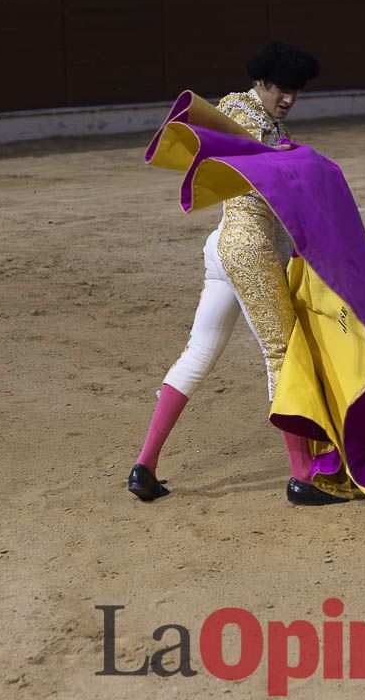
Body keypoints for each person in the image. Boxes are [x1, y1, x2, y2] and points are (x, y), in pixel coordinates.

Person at [128, 42, 341, 507]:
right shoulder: (239, 111)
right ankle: (303, 477)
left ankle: (144, 466)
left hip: (227, 247)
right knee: (284, 352)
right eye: (282, 89)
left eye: (296, 92)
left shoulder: (263, 118)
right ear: (261, 82)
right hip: (250, 248)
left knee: (200, 350)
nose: (288, 98)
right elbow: (260, 164)